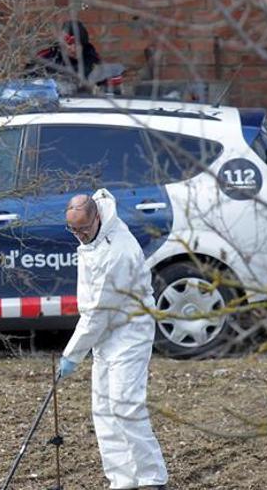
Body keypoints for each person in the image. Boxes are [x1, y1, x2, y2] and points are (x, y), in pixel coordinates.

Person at [57, 189, 168, 490]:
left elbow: (98, 312)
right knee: (104, 409)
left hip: (129, 330)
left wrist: (71, 354)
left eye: (82, 228)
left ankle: (151, 478)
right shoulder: (93, 238)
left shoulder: (118, 250)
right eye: (73, 229)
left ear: (96, 218)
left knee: (125, 406)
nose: (78, 235)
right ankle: (122, 480)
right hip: (106, 331)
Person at [25, 20, 101, 88]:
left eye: (78, 45)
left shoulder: (92, 60)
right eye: (69, 44)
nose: (73, 49)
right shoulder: (46, 58)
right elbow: (27, 81)